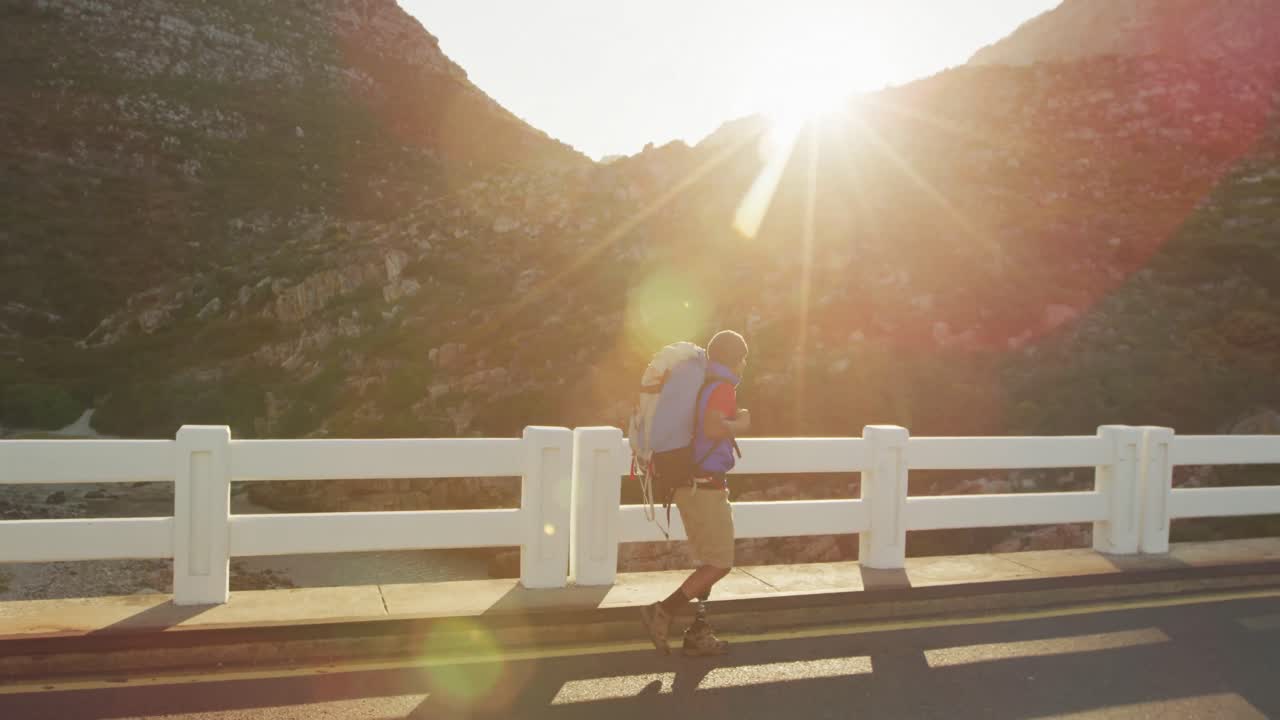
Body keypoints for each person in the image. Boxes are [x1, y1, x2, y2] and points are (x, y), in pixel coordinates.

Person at [640, 330, 750, 657]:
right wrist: (742, 423)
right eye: (744, 358)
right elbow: (715, 427)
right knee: (720, 563)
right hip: (704, 488)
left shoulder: (704, 384)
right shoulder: (722, 388)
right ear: (736, 359)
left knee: (706, 564)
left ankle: (698, 633)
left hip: (689, 485)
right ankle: (663, 610)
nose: (745, 364)